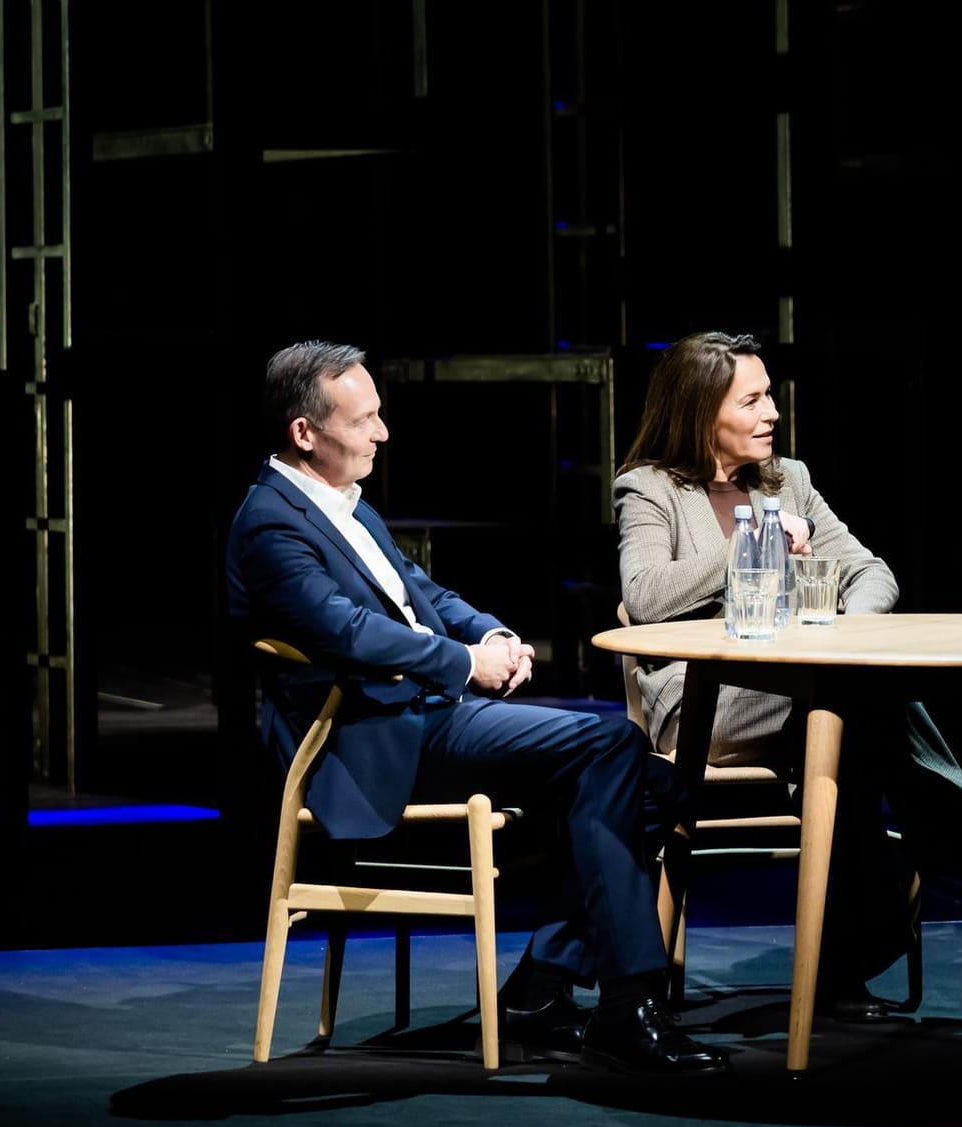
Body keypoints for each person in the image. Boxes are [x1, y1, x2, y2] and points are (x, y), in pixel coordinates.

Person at [227, 339, 728, 1075]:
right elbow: (349, 631)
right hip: (370, 740)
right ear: (306, 433)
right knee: (613, 747)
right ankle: (626, 1004)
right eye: (364, 420)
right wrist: (469, 666)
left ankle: (543, 988)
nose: (381, 432)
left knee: (661, 784)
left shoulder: (343, 507)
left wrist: (488, 632)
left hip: (422, 717)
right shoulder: (271, 523)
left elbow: (418, 594)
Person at [613, 330, 962, 1018]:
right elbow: (644, 596)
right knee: (861, 700)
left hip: (806, 691)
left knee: (853, 750)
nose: (772, 413)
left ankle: (843, 965)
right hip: (703, 704)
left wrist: (844, 626)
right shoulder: (651, 491)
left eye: (769, 397)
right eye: (752, 400)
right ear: (702, 413)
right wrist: (749, 543)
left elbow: (873, 571)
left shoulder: (791, 480)